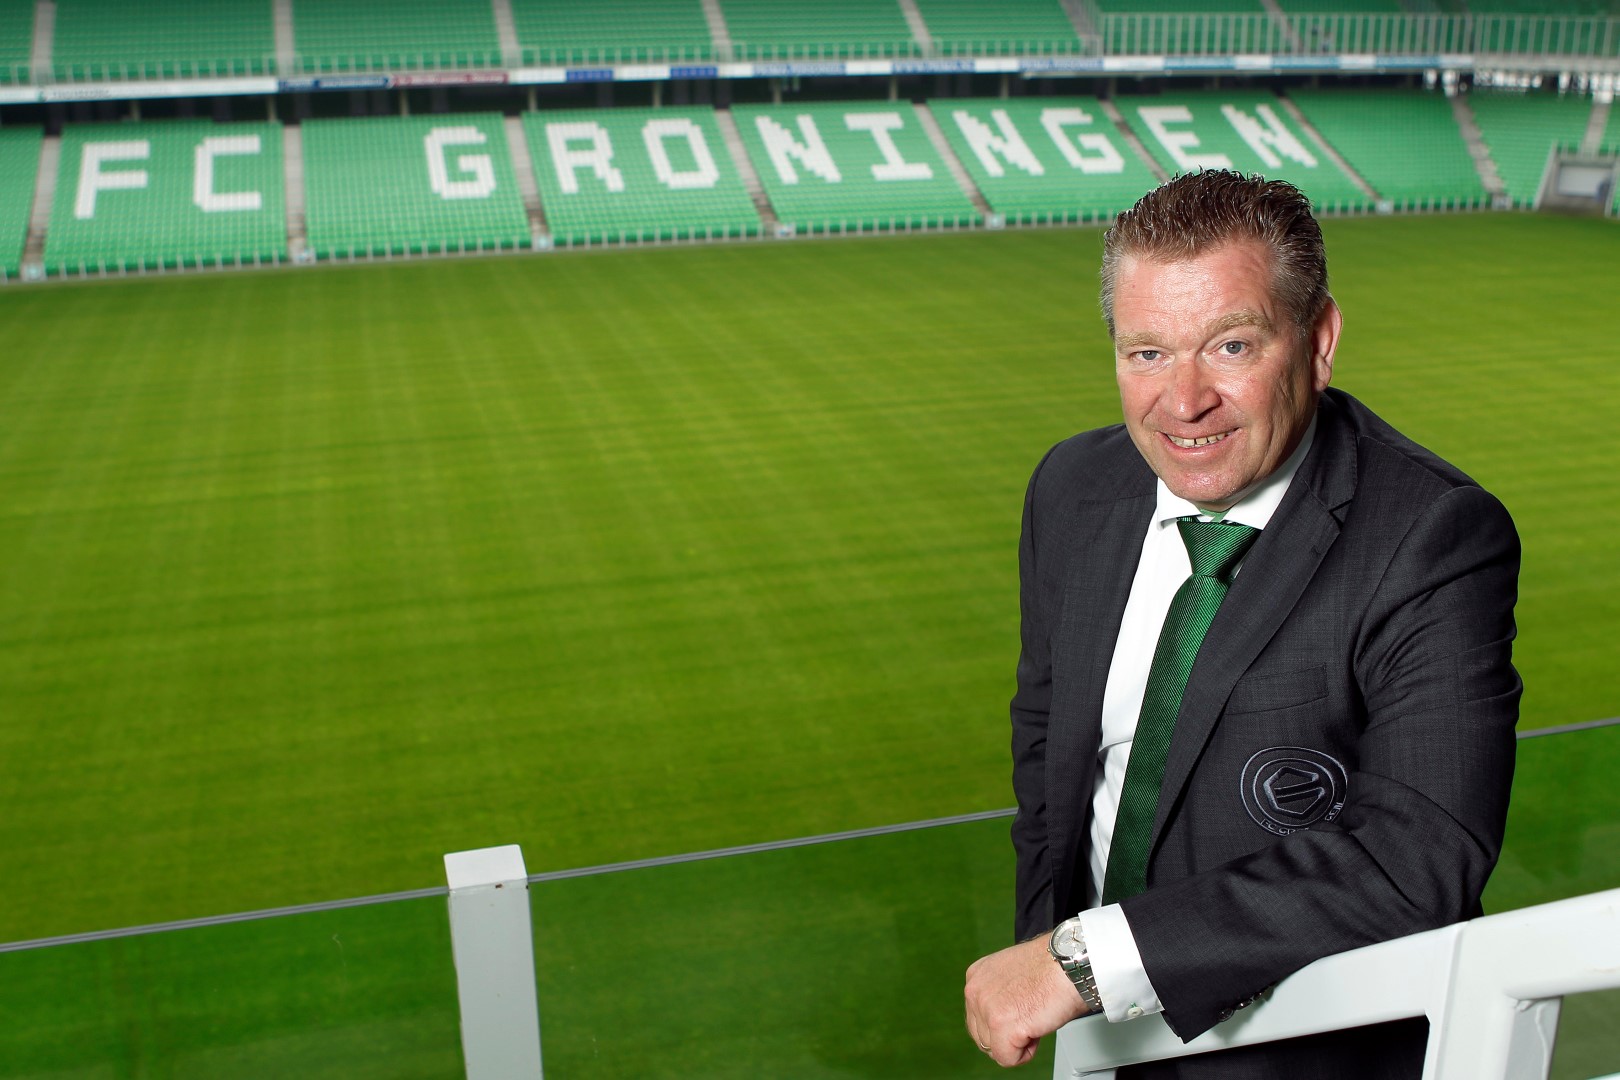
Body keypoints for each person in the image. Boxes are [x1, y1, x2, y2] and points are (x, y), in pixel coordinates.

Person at [963, 170, 1520, 1078]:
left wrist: (1089, 960)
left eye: (1230, 346)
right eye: (1147, 353)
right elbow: (1049, 751)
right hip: (1091, 1034)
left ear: (1319, 340)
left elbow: (1419, 855)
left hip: (1304, 1058)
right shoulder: (1070, 489)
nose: (1184, 402)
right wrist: (1047, 950)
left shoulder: (1432, 534)